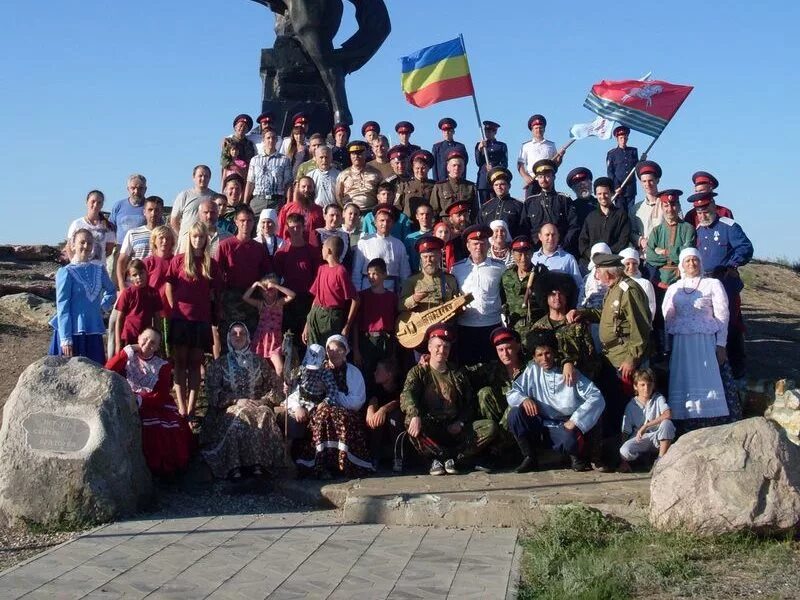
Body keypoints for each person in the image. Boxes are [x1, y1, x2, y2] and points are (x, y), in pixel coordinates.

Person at [400, 323, 498, 475]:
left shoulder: (457, 373)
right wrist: (414, 415)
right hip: (431, 426)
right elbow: (407, 394)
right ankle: (436, 459)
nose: (442, 350)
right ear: (430, 348)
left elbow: (469, 403)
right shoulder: (419, 372)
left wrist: (460, 422)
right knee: (410, 422)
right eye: (438, 346)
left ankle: (455, 459)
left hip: (454, 427)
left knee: (489, 427)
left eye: (446, 347)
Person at [569, 253, 652, 433]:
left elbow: (641, 326)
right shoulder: (613, 289)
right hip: (612, 356)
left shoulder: (629, 290)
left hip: (625, 359)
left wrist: (632, 358)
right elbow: (608, 315)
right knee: (615, 404)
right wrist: (585, 314)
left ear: (608, 272)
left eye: (598, 270)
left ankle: (634, 448)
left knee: (631, 406)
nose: (596, 275)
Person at [662, 248, 740, 433]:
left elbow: (722, 315)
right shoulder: (675, 288)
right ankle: (686, 422)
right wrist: (668, 344)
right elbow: (667, 317)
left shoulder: (712, 284)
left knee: (706, 376)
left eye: (695, 260)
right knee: (685, 378)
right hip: (682, 343)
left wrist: (721, 344)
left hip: (705, 341)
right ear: (682, 264)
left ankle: (711, 420)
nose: (691, 264)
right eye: (687, 261)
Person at [506, 331, 605, 473]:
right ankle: (530, 457)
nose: (544, 358)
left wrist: (575, 421)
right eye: (539, 355)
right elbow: (514, 391)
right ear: (534, 357)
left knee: (570, 441)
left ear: (554, 353)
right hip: (540, 422)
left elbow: (596, 397)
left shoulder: (569, 371)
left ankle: (575, 457)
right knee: (515, 414)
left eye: (547, 353)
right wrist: (524, 399)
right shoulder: (532, 370)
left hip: (564, 425)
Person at [202, 323, 286, 480]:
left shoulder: (259, 362)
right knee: (240, 418)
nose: (238, 336)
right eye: (234, 334)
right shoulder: (219, 364)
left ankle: (259, 464)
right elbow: (212, 390)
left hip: (257, 404)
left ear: (248, 337)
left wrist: (263, 401)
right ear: (229, 338)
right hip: (232, 406)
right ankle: (234, 466)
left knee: (265, 416)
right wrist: (235, 400)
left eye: (242, 333)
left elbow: (275, 387)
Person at [105, 328, 192, 477]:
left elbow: (161, 394)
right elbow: (107, 370)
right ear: (138, 338)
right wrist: (128, 350)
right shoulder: (129, 357)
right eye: (145, 339)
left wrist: (140, 400)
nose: (147, 344)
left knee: (160, 427)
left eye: (153, 343)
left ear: (158, 347)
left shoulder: (162, 366)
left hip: (152, 402)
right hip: (128, 397)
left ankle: (162, 470)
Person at [691, 191, 754, 379]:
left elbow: (746, 247)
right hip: (705, 285)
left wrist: (732, 264)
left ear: (713, 206)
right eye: (699, 212)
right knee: (711, 326)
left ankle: (737, 370)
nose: (703, 215)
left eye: (706, 210)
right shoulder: (697, 230)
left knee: (731, 324)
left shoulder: (728, 226)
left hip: (725, 283)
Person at [165, 221, 222, 424]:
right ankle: (180, 406)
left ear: (206, 239)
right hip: (180, 318)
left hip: (201, 319)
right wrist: (174, 309)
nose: (198, 240)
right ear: (189, 238)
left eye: (201, 237)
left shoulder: (211, 263)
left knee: (195, 364)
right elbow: (169, 286)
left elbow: (215, 292)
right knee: (179, 363)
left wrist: (214, 317)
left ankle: (191, 408)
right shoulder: (179, 260)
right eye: (194, 236)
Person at [293, 335, 373, 478]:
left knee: (336, 416)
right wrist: (299, 406)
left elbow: (357, 401)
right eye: (330, 349)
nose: (334, 353)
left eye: (338, 350)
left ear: (345, 351)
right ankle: (322, 465)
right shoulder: (315, 368)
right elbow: (299, 391)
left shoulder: (353, 372)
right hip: (317, 409)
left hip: (347, 411)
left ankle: (343, 464)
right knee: (323, 416)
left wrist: (334, 397)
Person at [49, 229, 116, 364]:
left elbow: (111, 290)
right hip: (71, 332)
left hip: (92, 329)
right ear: (73, 245)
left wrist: (102, 307)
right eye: (82, 242)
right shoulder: (66, 272)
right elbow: (63, 306)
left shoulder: (99, 270)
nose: (86, 246)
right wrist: (66, 338)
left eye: (89, 243)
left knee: (95, 373)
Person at [531, 270, 599, 383]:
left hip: (578, 381)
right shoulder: (538, 328)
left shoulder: (577, 324)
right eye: (553, 294)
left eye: (561, 293)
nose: (557, 297)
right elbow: (535, 362)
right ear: (545, 297)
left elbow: (591, 358)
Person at [452, 224, 506, 365]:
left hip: (492, 325)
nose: (478, 248)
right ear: (468, 246)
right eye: (475, 244)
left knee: (493, 368)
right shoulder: (456, 269)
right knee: (468, 369)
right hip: (466, 327)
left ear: (488, 245)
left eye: (482, 244)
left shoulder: (499, 267)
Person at [464, 326, 526, 449]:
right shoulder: (493, 368)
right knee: (484, 392)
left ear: (518, 347)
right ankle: (494, 442)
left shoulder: (529, 367)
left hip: (525, 418)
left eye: (509, 348)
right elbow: (463, 372)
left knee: (516, 403)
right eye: (500, 350)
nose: (505, 354)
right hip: (500, 417)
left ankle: (499, 447)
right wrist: (432, 359)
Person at [217, 206, 272, 337]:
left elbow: (266, 274)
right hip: (230, 297)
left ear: (254, 222)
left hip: (252, 296)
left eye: (249, 221)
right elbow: (217, 274)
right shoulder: (226, 245)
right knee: (229, 336)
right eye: (242, 221)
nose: (246, 224)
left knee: (251, 337)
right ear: (236, 221)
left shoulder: (259, 248)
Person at [274, 213, 322, 344]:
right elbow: (276, 278)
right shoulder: (282, 253)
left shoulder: (312, 251)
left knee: (306, 338)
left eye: (298, 227)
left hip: (308, 299)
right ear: (287, 229)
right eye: (292, 227)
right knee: (288, 339)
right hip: (288, 301)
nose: (295, 230)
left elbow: (318, 277)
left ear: (303, 228)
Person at [304, 236, 359, 346]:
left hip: (331, 316)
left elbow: (356, 299)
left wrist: (347, 325)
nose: (321, 250)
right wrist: (307, 323)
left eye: (323, 247)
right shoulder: (322, 269)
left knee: (329, 349)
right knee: (313, 350)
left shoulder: (340, 271)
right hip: (316, 312)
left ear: (329, 250)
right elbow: (316, 298)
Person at [352, 258, 397, 389]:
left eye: (375, 273)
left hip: (386, 341)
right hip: (367, 341)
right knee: (367, 376)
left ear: (384, 275)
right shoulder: (362, 296)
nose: (371, 277)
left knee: (385, 377)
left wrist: (393, 351)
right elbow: (356, 324)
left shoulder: (392, 297)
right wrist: (356, 350)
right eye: (369, 274)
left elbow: (395, 325)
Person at [618, 368, 674, 472]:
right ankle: (641, 459)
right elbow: (625, 432)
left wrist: (646, 426)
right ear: (636, 386)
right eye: (642, 385)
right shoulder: (631, 405)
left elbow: (668, 414)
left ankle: (660, 460)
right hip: (640, 439)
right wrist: (623, 462)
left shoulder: (658, 398)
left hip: (656, 436)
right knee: (624, 451)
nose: (646, 388)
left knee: (667, 424)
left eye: (649, 384)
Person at [243, 274, 295, 377]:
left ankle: (280, 389)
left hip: (274, 341)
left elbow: (292, 295)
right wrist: (255, 284)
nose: (268, 292)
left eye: (271, 290)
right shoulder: (260, 304)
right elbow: (245, 297)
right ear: (261, 292)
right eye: (264, 290)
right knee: (257, 368)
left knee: (279, 369)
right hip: (261, 340)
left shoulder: (279, 303)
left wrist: (276, 286)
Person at [522, 159, 579, 254]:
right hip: (536, 252)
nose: (543, 180)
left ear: (554, 177)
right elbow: (524, 229)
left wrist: (564, 245)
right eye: (540, 177)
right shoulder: (530, 202)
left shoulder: (564, 200)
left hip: (562, 251)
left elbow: (574, 226)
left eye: (547, 176)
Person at [351, 206, 411, 292]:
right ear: (375, 222)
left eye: (388, 221)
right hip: (367, 289)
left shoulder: (399, 244)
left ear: (393, 223)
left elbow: (405, 272)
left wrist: (404, 292)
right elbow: (356, 271)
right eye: (382, 220)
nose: (385, 224)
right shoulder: (364, 242)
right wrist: (357, 292)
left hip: (391, 291)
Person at [578, 177, 631, 271]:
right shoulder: (591, 217)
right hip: (592, 264)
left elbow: (623, 241)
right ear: (595, 194)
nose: (602, 196)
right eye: (599, 194)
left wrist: (607, 255)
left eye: (606, 193)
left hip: (613, 263)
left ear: (612, 193)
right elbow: (583, 242)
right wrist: (594, 255)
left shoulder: (621, 215)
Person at [398, 236, 459, 315]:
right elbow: (400, 307)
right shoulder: (412, 281)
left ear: (439, 255)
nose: (428, 261)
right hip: (421, 325)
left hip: (445, 324)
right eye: (425, 257)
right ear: (421, 258)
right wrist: (414, 299)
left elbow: (457, 303)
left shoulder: (450, 280)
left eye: (432, 256)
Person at [114, 258, 162, 355]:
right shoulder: (127, 293)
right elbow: (119, 319)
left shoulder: (153, 293)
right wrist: (118, 343)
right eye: (134, 275)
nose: (138, 277)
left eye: (141, 273)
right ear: (130, 277)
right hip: (128, 337)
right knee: (127, 367)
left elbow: (157, 318)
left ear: (146, 273)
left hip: (146, 339)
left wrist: (157, 340)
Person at [116, 195, 164, 289]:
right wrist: (122, 286)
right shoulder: (133, 233)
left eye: (157, 210)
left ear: (162, 212)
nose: (153, 213)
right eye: (150, 210)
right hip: (136, 284)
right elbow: (121, 261)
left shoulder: (168, 235)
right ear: (144, 212)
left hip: (158, 285)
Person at [365, 358, 404, 469]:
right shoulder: (376, 386)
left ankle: (398, 457)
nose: (375, 373)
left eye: (378, 370)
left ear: (389, 374)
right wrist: (370, 411)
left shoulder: (400, 386)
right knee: (376, 418)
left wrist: (384, 409)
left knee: (394, 417)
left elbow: (399, 401)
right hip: (382, 427)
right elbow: (374, 399)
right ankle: (374, 456)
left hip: (397, 422)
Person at [142, 225, 176, 354]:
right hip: (152, 312)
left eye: (168, 238)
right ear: (154, 240)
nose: (164, 241)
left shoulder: (177, 260)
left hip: (171, 311)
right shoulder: (148, 262)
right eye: (161, 238)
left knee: (170, 350)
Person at [501, 236, 541, 344]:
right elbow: (503, 300)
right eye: (519, 254)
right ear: (513, 254)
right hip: (513, 329)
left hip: (535, 328)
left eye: (527, 254)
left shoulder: (541, 274)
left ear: (532, 254)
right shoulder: (506, 276)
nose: (523, 258)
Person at [108, 174, 147, 281]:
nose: (136, 191)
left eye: (140, 188)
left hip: (142, 250)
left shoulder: (149, 207)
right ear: (128, 189)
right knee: (118, 281)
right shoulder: (118, 206)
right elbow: (111, 227)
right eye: (133, 188)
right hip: (121, 249)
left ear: (145, 189)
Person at [245, 129, 293, 213]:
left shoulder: (284, 160)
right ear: (263, 140)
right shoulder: (254, 160)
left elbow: (288, 184)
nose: (271, 140)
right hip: (258, 200)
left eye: (273, 138)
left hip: (276, 201)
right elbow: (250, 182)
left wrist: (288, 204)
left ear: (277, 140)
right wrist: (245, 203)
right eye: (268, 138)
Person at [171, 165, 217, 247]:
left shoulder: (214, 197)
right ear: (193, 177)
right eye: (200, 176)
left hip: (208, 244)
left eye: (206, 176)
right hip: (186, 243)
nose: (203, 178)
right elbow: (174, 220)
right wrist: (183, 236)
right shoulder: (184, 195)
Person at [530, 224, 583, 294]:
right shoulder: (534, 257)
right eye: (547, 235)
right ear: (540, 237)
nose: (551, 238)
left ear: (558, 236)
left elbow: (579, 286)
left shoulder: (568, 259)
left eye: (553, 234)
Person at [66, 190, 115, 266]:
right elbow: (69, 247)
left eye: (99, 202)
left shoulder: (107, 226)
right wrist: (74, 264)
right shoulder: (77, 224)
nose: (95, 205)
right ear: (87, 202)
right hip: (79, 266)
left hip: (98, 267)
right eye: (93, 201)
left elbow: (109, 250)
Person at [517, 114, 562, 197]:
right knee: (531, 205)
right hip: (532, 180)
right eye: (536, 128)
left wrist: (560, 156)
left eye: (541, 128)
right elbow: (520, 165)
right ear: (532, 130)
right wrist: (525, 177)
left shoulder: (551, 145)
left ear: (544, 129)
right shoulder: (525, 146)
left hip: (548, 180)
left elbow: (555, 164)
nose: (538, 130)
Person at [477, 167, 525, 239]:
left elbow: (523, 229)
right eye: (496, 185)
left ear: (509, 186)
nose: (499, 187)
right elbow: (479, 228)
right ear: (493, 187)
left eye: (502, 184)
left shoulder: (519, 206)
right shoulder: (485, 207)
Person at [335, 140, 382, 212]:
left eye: (360, 153)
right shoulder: (343, 175)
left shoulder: (376, 173)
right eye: (353, 154)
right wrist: (345, 210)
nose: (356, 156)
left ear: (365, 153)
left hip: (371, 213)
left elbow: (382, 194)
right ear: (350, 155)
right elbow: (338, 196)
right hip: (351, 214)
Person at [429, 150, 478, 218]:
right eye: (454, 165)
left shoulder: (471, 187)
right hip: (446, 225)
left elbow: (475, 211)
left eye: (459, 166)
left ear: (463, 168)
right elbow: (433, 211)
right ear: (448, 167)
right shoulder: (439, 187)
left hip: (465, 224)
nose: (456, 168)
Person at [278, 176, 325, 245]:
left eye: (309, 187)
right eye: (303, 186)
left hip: (311, 249)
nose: (306, 189)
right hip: (289, 247)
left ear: (314, 189)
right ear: (298, 188)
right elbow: (279, 229)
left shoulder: (319, 210)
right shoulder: (287, 208)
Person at [630, 160, 663, 253]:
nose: (647, 184)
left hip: (664, 255)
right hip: (644, 256)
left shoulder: (667, 205)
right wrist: (641, 240)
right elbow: (631, 232)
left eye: (650, 180)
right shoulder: (635, 209)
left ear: (657, 180)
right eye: (644, 181)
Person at [606, 126, 639, 213]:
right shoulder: (612, 154)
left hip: (631, 189)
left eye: (625, 138)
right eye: (621, 138)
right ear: (617, 139)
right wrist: (616, 186)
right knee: (621, 214)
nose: (623, 140)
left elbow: (638, 167)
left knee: (632, 214)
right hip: (619, 190)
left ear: (627, 138)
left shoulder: (633, 151)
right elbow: (610, 172)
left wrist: (642, 161)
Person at [395, 149, 435, 221]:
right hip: (409, 224)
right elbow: (397, 207)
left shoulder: (435, 185)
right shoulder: (405, 185)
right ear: (413, 168)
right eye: (417, 168)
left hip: (428, 223)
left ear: (428, 168)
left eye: (423, 168)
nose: (420, 171)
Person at [475, 120, 508, 204]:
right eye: (486, 131)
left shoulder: (501, 145)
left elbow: (504, 164)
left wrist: (495, 169)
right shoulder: (480, 145)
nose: (488, 133)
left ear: (495, 132)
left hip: (496, 179)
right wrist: (479, 150)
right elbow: (478, 162)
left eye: (490, 131)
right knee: (484, 206)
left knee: (497, 203)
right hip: (483, 181)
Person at [619, 247, 656, 323]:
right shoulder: (617, 282)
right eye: (627, 264)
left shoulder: (645, 283)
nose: (631, 267)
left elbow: (651, 305)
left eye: (634, 263)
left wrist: (646, 323)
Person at [221, 114, 257, 183]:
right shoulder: (228, 142)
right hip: (230, 175)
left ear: (247, 130)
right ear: (235, 127)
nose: (242, 128)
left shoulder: (249, 144)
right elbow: (224, 161)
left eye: (245, 127)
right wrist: (236, 168)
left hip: (245, 177)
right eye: (240, 126)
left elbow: (250, 161)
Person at [431, 118, 468, 183]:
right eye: (444, 131)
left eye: (449, 130)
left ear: (453, 132)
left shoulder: (460, 147)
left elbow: (464, 165)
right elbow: (434, 168)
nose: (447, 133)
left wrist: (463, 180)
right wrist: (436, 183)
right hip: (442, 182)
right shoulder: (437, 147)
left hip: (458, 181)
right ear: (442, 132)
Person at [566, 167, 598, 236]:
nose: (582, 186)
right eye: (578, 185)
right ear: (573, 189)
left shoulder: (601, 204)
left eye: (584, 182)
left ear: (590, 183)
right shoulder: (571, 207)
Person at [403, 201, 435, 271]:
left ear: (432, 215)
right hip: (415, 275)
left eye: (428, 214)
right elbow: (405, 260)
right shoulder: (410, 238)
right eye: (421, 214)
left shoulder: (437, 235)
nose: (425, 217)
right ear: (417, 216)